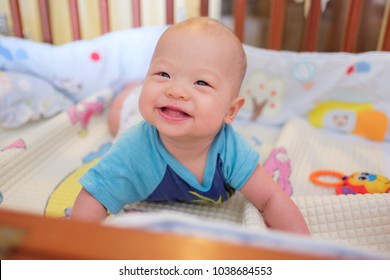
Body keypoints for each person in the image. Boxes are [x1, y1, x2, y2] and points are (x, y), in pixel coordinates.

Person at [72, 17, 310, 236]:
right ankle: (128, 92)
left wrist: (306, 252)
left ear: (230, 111)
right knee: (117, 118)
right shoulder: (132, 148)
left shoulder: (230, 151)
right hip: (133, 115)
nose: (175, 90)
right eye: (163, 74)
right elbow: (95, 195)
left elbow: (270, 198)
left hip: (160, 109)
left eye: (201, 82)